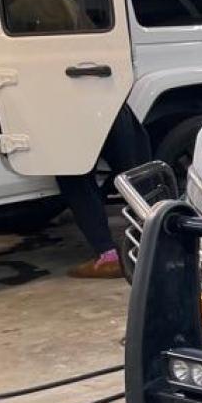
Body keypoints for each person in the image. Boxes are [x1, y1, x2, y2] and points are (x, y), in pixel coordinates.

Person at [57, 104, 151, 279]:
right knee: (135, 172)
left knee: (75, 178)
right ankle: (159, 243)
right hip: (107, 99)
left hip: (63, 108)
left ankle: (107, 256)